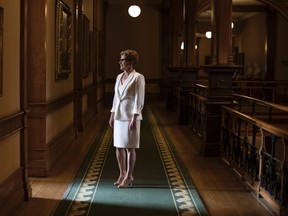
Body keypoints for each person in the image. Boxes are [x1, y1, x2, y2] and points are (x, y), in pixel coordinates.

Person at [109, 50, 145, 188]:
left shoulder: (138, 77)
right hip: (118, 116)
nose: (120, 62)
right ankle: (122, 174)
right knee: (118, 146)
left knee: (130, 147)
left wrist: (134, 116)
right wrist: (112, 114)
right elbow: (115, 98)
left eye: (123, 60)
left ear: (130, 62)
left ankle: (129, 176)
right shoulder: (119, 77)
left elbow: (139, 98)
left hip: (130, 116)